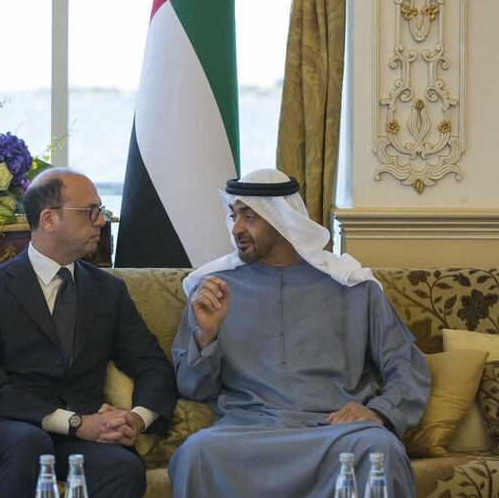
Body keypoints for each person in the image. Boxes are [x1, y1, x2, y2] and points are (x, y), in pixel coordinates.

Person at [169, 168, 431, 497]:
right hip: (247, 431)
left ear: (282, 218)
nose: (236, 228)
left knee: (380, 449)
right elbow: (192, 388)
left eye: (249, 217)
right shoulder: (212, 289)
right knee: (198, 451)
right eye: (233, 216)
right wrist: (207, 336)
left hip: (335, 430)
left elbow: (406, 365)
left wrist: (378, 411)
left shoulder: (352, 286)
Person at [0, 168, 177, 498]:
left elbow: (153, 366)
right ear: (49, 219)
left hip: (77, 439)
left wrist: (135, 420)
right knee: (30, 442)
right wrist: (76, 422)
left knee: (123, 467)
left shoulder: (109, 291)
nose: (101, 220)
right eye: (90, 211)